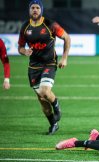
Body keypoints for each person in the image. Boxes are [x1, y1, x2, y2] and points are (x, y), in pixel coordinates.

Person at [18, 0, 71, 135]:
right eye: (32, 8)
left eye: (37, 8)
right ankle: (53, 124)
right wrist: (25, 51)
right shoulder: (25, 27)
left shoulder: (49, 24)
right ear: (29, 10)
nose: (35, 10)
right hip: (33, 66)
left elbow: (66, 37)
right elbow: (20, 47)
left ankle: (57, 106)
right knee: (41, 98)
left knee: (45, 91)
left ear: (41, 10)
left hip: (49, 63)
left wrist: (65, 58)